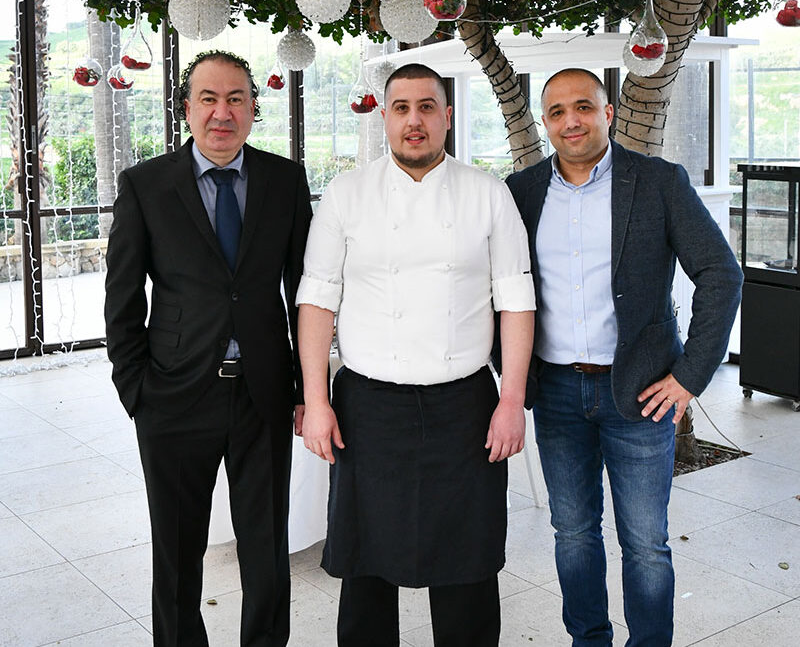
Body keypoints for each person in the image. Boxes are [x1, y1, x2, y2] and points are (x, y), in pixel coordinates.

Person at [296, 63, 535, 646]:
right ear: (384, 117)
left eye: (427, 107)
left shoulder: (487, 192)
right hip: (368, 406)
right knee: (365, 568)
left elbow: (516, 300)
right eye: (401, 108)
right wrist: (317, 402)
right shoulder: (347, 193)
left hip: (465, 406)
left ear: (447, 117)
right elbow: (317, 301)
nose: (414, 121)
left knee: (468, 565)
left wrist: (511, 401)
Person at [505, 68, 743, 646]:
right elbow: (498, 287)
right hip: (556, 392)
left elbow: (721, 273)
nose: (571, 121)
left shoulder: (659, 182)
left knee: (644, 543)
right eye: (557, 112)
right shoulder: (521, 191)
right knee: (573, 534)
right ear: (545, 122)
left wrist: (689, 377)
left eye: (583, 107)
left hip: (641, 390)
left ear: (607, 112)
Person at [104, 50, 312, 646]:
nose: (223, 113)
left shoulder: (284, 180)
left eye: (236, 99)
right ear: (186, 109)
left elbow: (304, 291)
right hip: (172, 395)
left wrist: (306, 387)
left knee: (266, 546)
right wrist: (136, 389)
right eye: (209, 99)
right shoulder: (146, 185)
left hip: (262, 394)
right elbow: (122, 297)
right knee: (176, 551)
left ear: (253, 108)